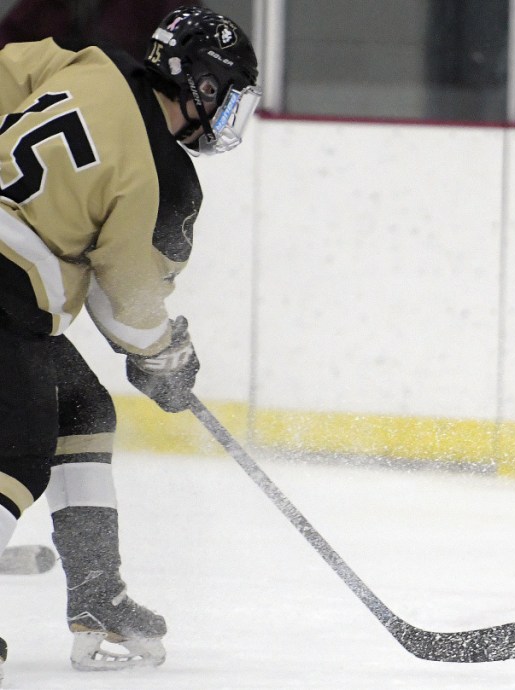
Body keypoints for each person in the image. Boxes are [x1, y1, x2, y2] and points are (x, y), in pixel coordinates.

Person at [0, 5, 260, 678]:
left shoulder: (89, 63)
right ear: (201, 88)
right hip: (4, 295)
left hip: (13, 302)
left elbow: (4, 72)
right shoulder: (164, 180)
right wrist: (165, 356)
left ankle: (97, 591)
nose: (230, 117)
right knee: (17, 456)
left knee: (81, 407)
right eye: (229, 100)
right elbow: (129, 305)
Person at [0, 0, 202, 61]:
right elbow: (9, 41)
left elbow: (192, 53)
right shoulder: (45, 9)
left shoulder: (164, 7)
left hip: (140, 107)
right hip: (58, 100)